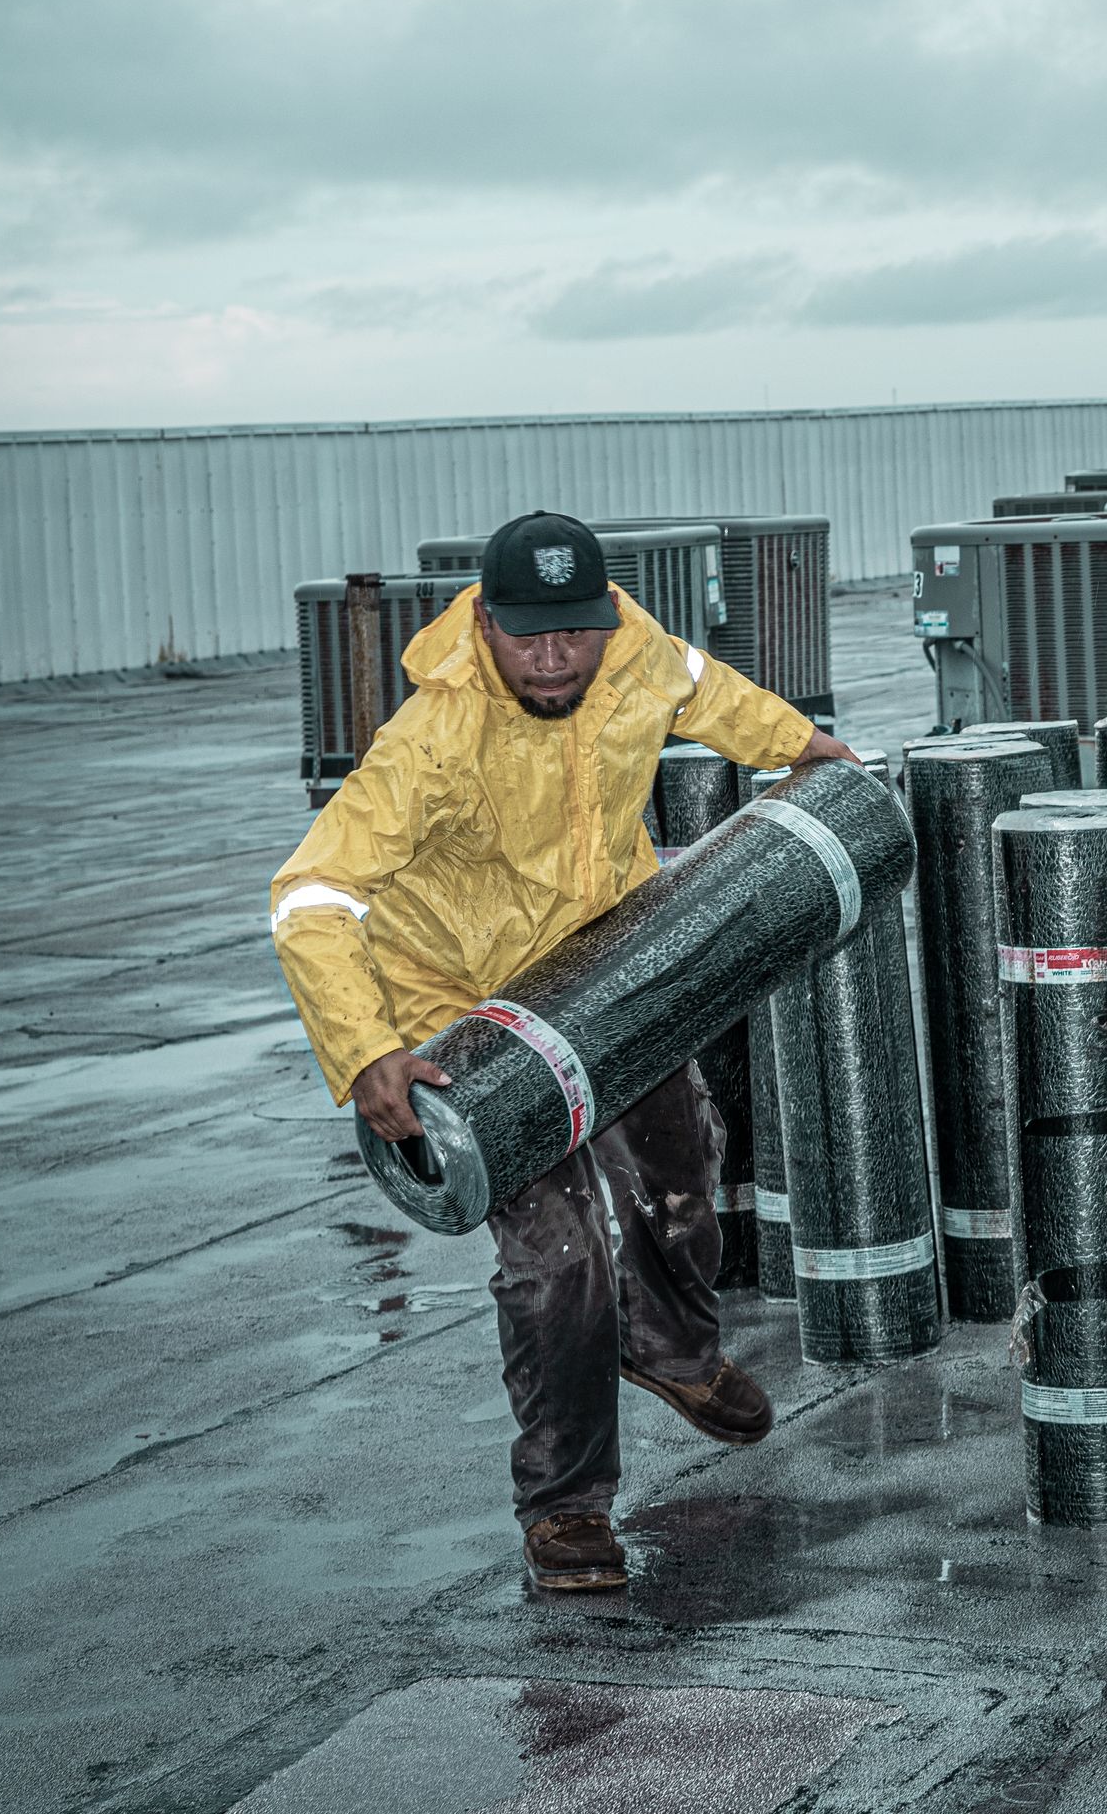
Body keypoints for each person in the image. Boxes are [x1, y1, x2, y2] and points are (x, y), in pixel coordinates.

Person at [269, 510, 855, 1593]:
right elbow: (311, 896)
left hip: (601, 969)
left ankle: (671, 1350)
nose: (554, 660)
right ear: (485, 624)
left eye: (574, 635)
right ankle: (567, 1506)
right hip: (472, 1017)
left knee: (684, 1168)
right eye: (529, 637)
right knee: (564, 1258)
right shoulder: (433, 741)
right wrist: (368, 1051)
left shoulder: (632, 652)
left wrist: (795, 743)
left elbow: (699, 686)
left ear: (602, 618)